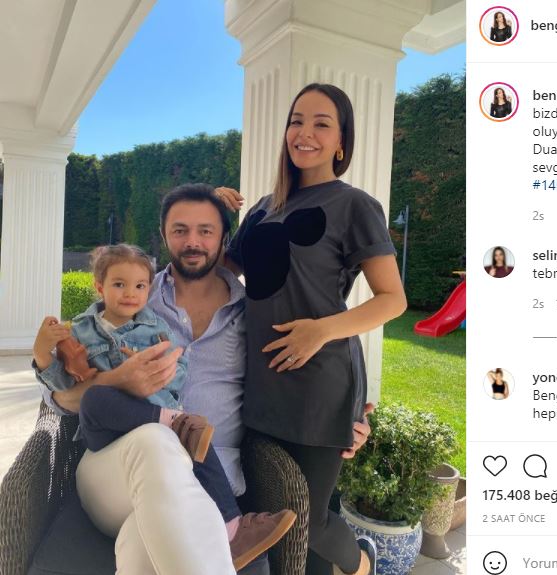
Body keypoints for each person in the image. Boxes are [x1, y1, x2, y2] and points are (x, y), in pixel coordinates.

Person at [36, 184, 373, 574]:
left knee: (146, 546)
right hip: (114, 475)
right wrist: (116, 381)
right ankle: (226, 531)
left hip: (213, 488)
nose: (192, 241)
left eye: (206, 231)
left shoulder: (253, 315)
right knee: (156, 439)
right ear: (163, 234)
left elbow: (299, 383)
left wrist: (344, 419)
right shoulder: (132, 299)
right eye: (180, 230)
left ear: (225, 239)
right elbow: (57, 399)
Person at [218, 83, 407, 575]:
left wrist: (320, 331)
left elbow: (393, 299)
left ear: (341, 141)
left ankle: (362, 564)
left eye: (322, 124)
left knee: (310, 519)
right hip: (259, 380)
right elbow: (219, 278)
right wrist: (211, 212)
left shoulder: (355, 206)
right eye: (297, 121)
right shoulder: (262, 209)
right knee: (268, 508)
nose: (305, 132)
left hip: (318, 380)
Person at [33, 243, 295, 571]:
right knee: (99, 398)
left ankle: (232, 528)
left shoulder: (156, 328)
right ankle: (170, 421)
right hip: (106, 441)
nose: (130, 293)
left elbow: (178, 371)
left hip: (161, 448)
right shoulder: (82, 330)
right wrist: (45, 357)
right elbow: (63, 388)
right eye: (119, 284)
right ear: (99, 287)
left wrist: (157, 369)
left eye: (140, 286)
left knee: (191, 455)